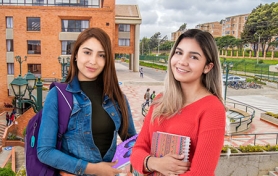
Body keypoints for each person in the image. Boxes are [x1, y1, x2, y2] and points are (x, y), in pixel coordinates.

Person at [37, 28, 137, 176]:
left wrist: (129, 167)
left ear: (107, 60)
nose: (93, 61)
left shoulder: (117, 97)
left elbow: (131, 142)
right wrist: (93, 169)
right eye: (87, 52)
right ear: (76, 54)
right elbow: (45, 151)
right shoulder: (58, 95)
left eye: (101, 55)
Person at [130, 29, 226, 175]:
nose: (182, 61)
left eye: (193, 57)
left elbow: (201, 173)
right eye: (179, 53)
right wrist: (155, 163)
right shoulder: (160, 100)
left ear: (207, 67)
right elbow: (137, 150)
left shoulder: (212, 109)